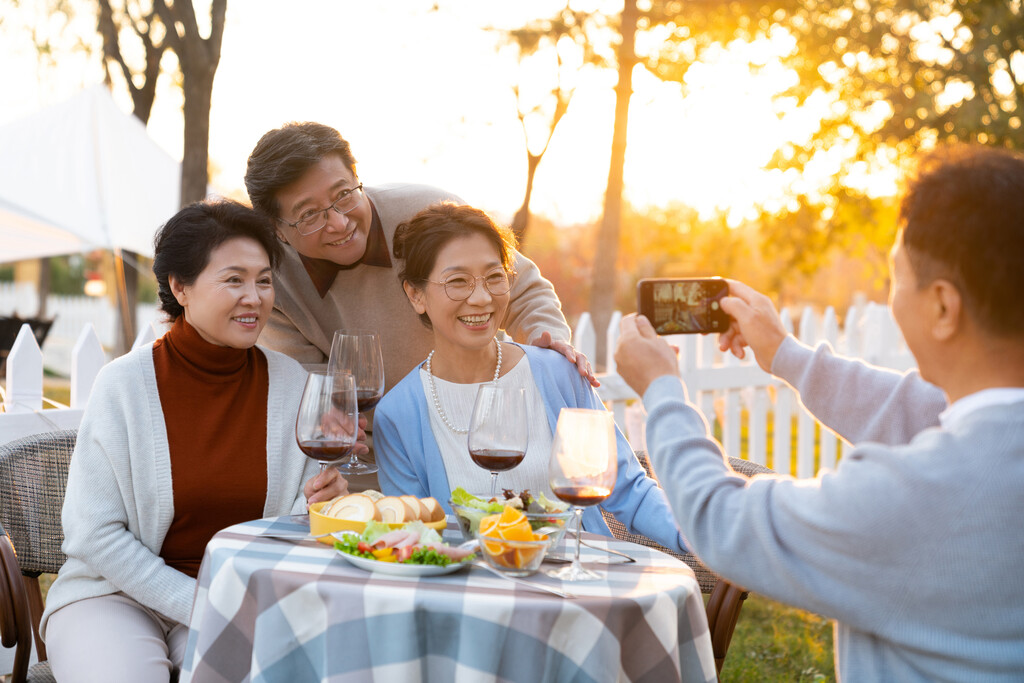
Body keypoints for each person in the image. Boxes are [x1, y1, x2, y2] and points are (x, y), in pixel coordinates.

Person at [614, 144, 1024, 680]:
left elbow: (722, 526)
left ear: (943, 306)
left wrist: (663, 391)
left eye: (895, 278)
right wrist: (786, 355)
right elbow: (922, 410)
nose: (891, 297)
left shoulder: (913, 497)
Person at [41, 200, 349, 682]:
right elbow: (92, 533)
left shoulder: (292, 384)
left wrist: (322, 506)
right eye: (233, 280)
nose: (254, 297)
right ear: (180, 287)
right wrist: (200, 602)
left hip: (240, 597)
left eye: (264, 280)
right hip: (111, 596)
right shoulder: (123, 384)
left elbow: (293, 521)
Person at [373, 203, 688, 553]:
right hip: (472, 595)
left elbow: (630, 492)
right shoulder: (397, 415)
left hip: (579, 584)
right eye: (457, 282)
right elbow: (419, 535)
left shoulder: (558, 373)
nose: (481, 298)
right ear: (416, 295)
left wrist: (708, 537)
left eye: (494, 277)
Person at [242, 122, 595, 391]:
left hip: (479, 412)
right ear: (277, 229)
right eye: (309, 215)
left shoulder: (427, 211)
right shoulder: (271, 281)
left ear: (357, 177)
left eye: (344, 194)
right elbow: (315, 395)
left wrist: (546, 346)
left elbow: (524, 291)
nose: (338, 222)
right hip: (369, 451)